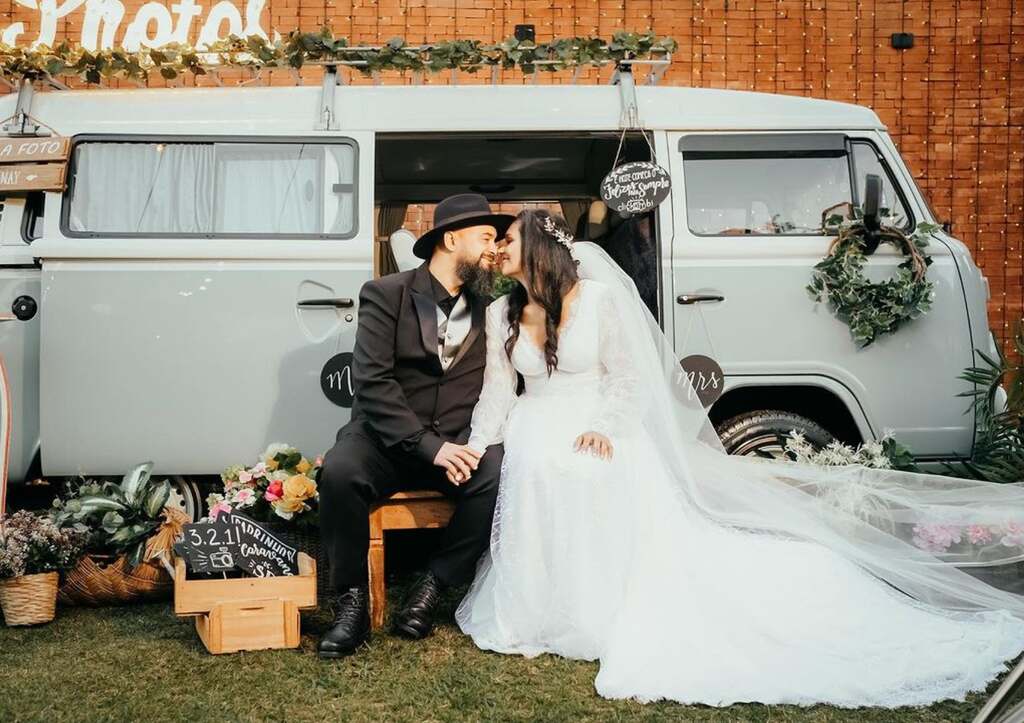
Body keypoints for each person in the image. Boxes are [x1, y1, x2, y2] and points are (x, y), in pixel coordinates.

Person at [453, 208, 1024, 707]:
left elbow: (627, 381)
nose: (500, 250)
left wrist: (605, 427)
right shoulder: (502, 313)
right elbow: (499, 393)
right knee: (536, 465)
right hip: (538, 425)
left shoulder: (598, 301)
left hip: (597, 418)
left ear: (541, 252)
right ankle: (541, 609)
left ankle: (595, 608)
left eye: (509, 240)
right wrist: (477, 445)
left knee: (589, 467)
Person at [317, 193, 513, 658]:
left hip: (455, 443)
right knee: (340, 472)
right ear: (450, 239)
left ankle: (433, 585)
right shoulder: (386, 294)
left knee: (497, 469)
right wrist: (429, 446)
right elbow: (372, 383)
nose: (495, 247)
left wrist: (460, 446)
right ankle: (350, 603)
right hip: (384, 441)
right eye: (486, 237)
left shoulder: (494, 305)